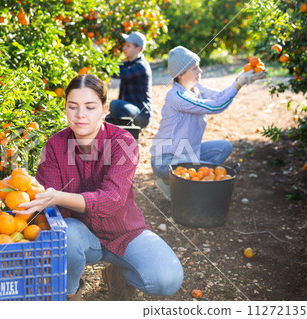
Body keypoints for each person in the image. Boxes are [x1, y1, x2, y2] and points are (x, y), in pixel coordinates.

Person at [15, 74, 183, 301]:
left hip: (124, 232)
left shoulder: (123, 143)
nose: (80, 115)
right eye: (72, 107)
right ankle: (70, 293)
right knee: (67, 232)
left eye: (90, 107)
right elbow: (46, 197)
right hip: (80, 235)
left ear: (104, 109)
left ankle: (119, 275)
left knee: (167, 279)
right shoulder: (56, 145)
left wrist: (58, 196)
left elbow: (111, 199)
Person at [150, 46, 266, 199]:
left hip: (186, 154)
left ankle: (179, 181)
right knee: (206, 171)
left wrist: (240, 79)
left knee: (224, 148)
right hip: (165, 160)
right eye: (194, 68)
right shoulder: (177, 96)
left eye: (198, 66)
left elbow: (220, 96)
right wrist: (239, 84)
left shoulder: (195, 89)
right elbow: (216, 106)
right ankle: (171, 182)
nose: (200, 71)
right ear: (180, 74)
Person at [106, 31, 153, 128]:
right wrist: (101, 58)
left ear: (138, 49)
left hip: (141, 114)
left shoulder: (141, 66)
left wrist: (101, 59)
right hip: (129, 110)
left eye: (128, 46)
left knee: (115, 105)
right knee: (106, 119)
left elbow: (118, 73)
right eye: (124, 45)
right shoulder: (128, 64)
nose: (124, 48)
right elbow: (113, 67)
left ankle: (128, 134)